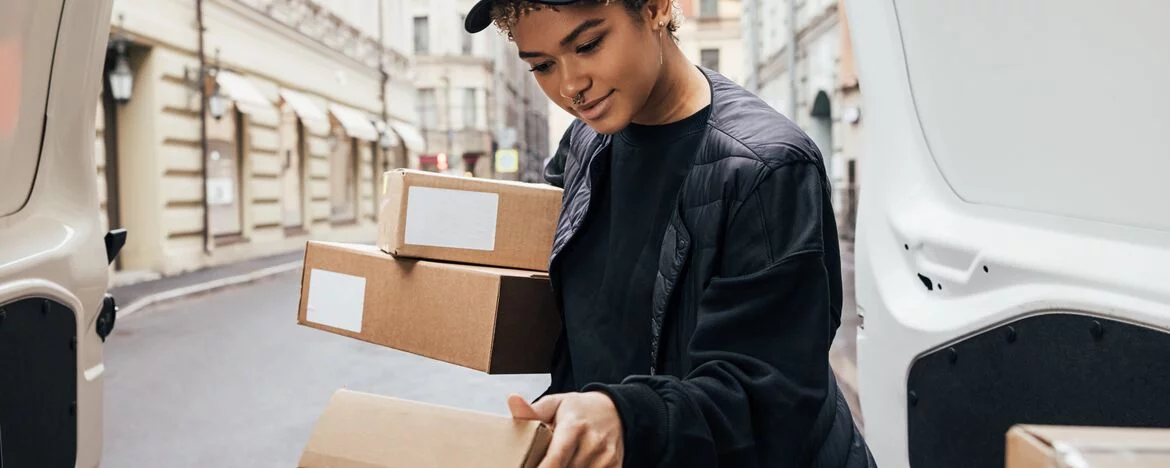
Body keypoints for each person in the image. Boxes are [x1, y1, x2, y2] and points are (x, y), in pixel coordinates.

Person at [464, 0, 877, 466]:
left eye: (588, 44)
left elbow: (770, 393)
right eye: (542, 65)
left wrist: (624, 418)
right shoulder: (582, 142)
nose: (571, 85)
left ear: (657, 8)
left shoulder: (768, 167)